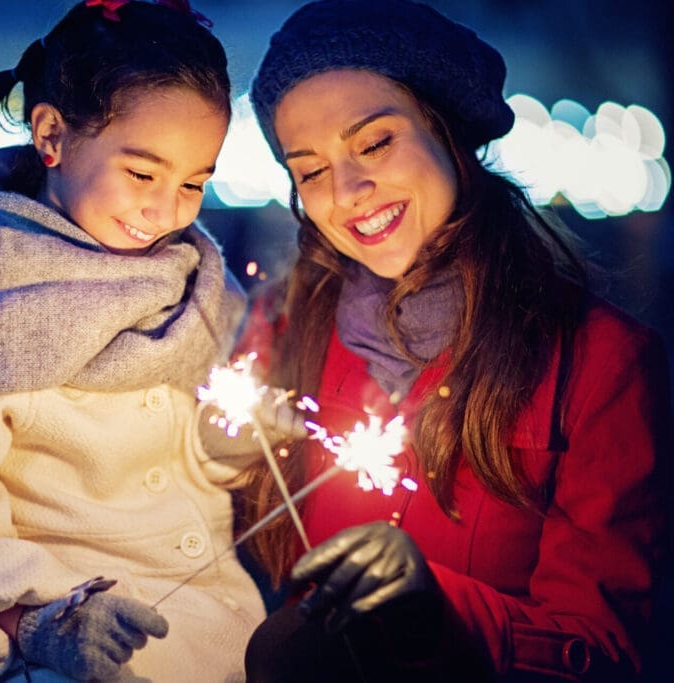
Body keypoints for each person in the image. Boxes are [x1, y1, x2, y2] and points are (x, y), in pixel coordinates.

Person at [0, 1, 298, 680]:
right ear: (51, 133)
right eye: (143, 173)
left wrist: (227, 445)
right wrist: (50, 623)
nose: (168, 209)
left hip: (225, 645)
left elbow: (181, 482)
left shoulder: (193, 284)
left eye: (194, 182)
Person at [236, 0, 672, 681]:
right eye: (310, 170)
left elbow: (614, 650)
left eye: (375, 142)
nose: (347, 191)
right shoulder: (284, 335)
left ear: (448, 130)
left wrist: (440, 610)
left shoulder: (600, 362)